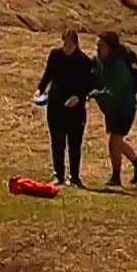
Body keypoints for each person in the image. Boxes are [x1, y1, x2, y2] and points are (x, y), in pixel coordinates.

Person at [37, 30, 96, 188]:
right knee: (57, 141)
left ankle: (75, 176)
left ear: (76, 44)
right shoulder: (55, 55)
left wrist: (78, 97)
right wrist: (40, 90)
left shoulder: (84, 61)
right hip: (56, 104)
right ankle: (59, 174)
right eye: (65, 44)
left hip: (75, 108)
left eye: (70, 44)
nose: (67, 47)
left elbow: (89, 85)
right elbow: (48, 74)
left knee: (74, 142)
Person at [94, 30, 137, 187]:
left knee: (114, 142)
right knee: (117, 142)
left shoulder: (119, 65)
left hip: (124, 108)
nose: (98, 48)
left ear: (110, 47)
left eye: (101, 45)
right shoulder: (103, 62)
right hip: (114, 108)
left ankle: (116, 176)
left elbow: (117, 91)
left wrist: (98, 93)